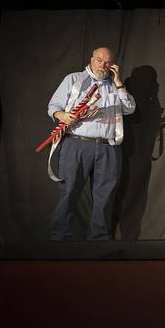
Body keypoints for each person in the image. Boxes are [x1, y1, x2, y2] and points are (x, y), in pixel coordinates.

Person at [46, 47, 136, 240]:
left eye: (107, 62)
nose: (103, 65)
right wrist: (62, 115)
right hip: (76, 144)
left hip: (108, 147)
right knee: (69, 191)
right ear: (91, 59)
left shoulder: (115, 85)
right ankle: (59, 238)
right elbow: (53, 106)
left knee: (105, 195)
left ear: (113, 65)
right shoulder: (73, 79)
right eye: (99, 60)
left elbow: (129, 108)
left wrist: (119, 83)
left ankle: (100, 239)